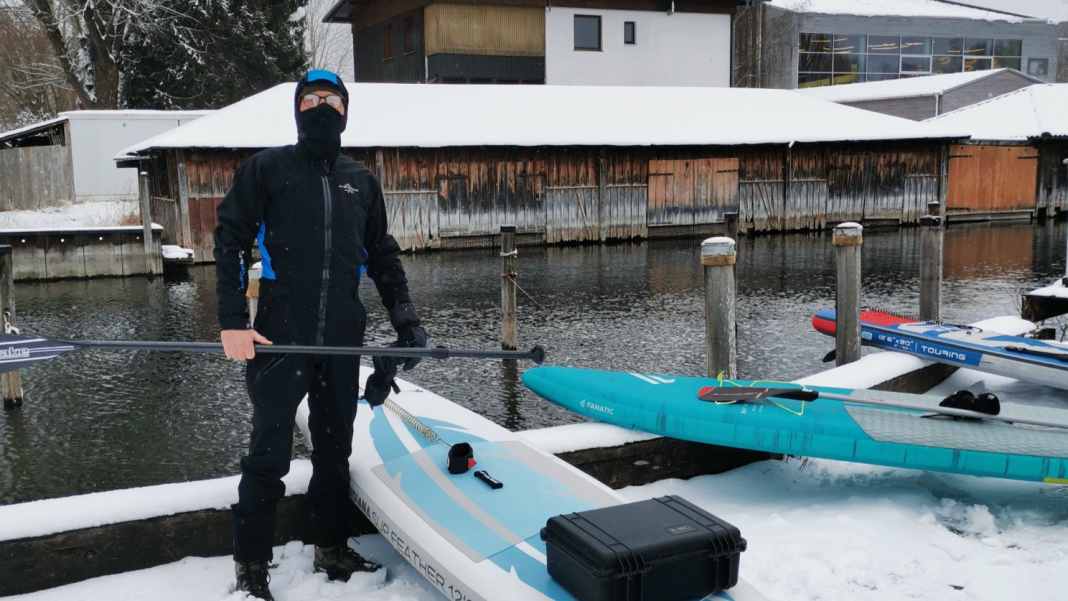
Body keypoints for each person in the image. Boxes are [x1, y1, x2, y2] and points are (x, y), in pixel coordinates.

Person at [214, 69, 428, 600]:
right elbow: (230, 239)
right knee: (268, 453)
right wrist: (233, 322)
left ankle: (330, 547)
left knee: (335, 450)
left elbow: (382, 255)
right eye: (311, 99)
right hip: (280, 335)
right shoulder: (267, 169)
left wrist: (406, 320)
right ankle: (250, 564)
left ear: (345, 112)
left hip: (341, 336)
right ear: (297, 111)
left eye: (331, 99)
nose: (321, 106)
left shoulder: (362, 181)